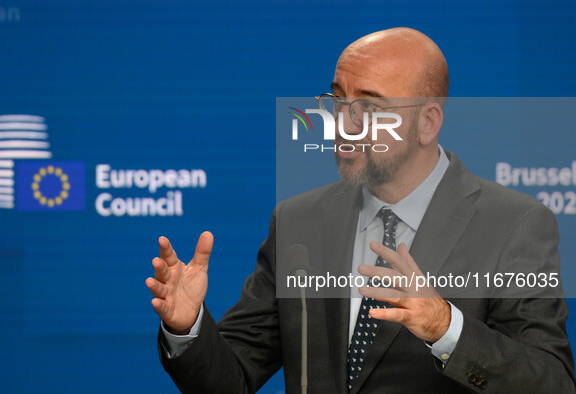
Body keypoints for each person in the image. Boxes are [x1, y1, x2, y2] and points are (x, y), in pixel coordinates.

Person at [145, 27, 576, 393]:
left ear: (427, 122)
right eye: (337, 101)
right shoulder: (299, 220)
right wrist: (189, 328)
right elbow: (231, 378)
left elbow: (552, 381)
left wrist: (447, 327)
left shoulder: (513, 223)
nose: (343, 124)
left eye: (368, 107)